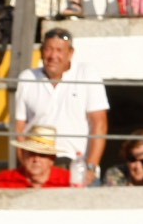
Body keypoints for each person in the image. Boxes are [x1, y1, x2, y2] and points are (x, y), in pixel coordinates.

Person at [13, 27, 108, 184]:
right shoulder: (27, 77)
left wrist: (91, 166)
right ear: (41, 51)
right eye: (48, 49)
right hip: (40, 166)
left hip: (77, 164)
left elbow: (99, 123)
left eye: (59, 50)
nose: (53, 56)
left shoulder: (87, 73)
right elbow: (19, 127)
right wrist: (25, 165)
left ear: (70, 53)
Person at [0, 124, 71, 189]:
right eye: (31, 153)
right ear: (23, 154)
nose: (36, 159)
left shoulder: (69, 180)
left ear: (52, 159)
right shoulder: (5, 179)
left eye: (42, 155)